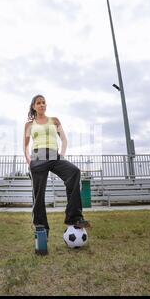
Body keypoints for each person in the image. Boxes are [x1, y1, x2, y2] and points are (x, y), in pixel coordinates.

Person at [23, 94, 91, 239]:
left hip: (54, 155)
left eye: (44, 102)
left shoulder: (54, 120)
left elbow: (64, 139)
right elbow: (26, 145)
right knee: (38, 194)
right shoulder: (29, 125)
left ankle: (74, 217)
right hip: (37, 158)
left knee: (74, 172)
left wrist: (62, 154)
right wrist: (29, 160)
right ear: (34, 106)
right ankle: (41, 228)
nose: (42, 105)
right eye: (38, 103)